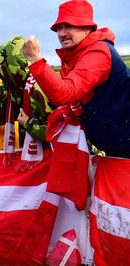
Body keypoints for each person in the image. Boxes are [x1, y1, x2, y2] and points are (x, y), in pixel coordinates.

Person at [22, 0, 130, 157]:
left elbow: (65, 93)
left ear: (87, 28)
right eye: (58, 28)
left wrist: (35, 59)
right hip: (117, 145)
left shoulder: (98, 53)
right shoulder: (75, 56)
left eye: (68, 26)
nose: (61, 33)